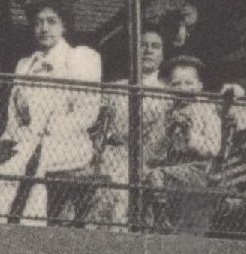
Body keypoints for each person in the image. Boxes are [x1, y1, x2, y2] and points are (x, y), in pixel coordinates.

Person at [0, 0, 103, 224]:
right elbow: (15, 115)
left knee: (29, 163)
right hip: (25, 141)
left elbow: (87, 113)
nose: (44, 28)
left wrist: (49, 132)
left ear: (64, 26)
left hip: (68, 143)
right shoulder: (25, 65)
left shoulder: (80, 59)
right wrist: (10, 138)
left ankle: (31, 234)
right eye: (39, 22)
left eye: (52, 21)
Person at [90, 27, 168, 230]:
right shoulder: (116, 88)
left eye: (155, 46)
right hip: (109, 154)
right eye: (143, 45)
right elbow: (97, 122)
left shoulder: (167, 95)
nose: (148, 50)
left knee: (121, 196)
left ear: (162, 55)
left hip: (143, 158)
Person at [145, 52, 226, 232]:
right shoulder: (168, 113)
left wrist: (189, 134)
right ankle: (156, 223)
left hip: (201, 170)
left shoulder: (206, 109)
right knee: (148, 174)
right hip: (174, 170)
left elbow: (214, 147)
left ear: (199, 86)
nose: (183, 88)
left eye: (188, 83)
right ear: (168, 87)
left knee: (156, 176)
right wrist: (168, 131)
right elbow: (150, 152)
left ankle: (161, 220)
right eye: (177, 83)